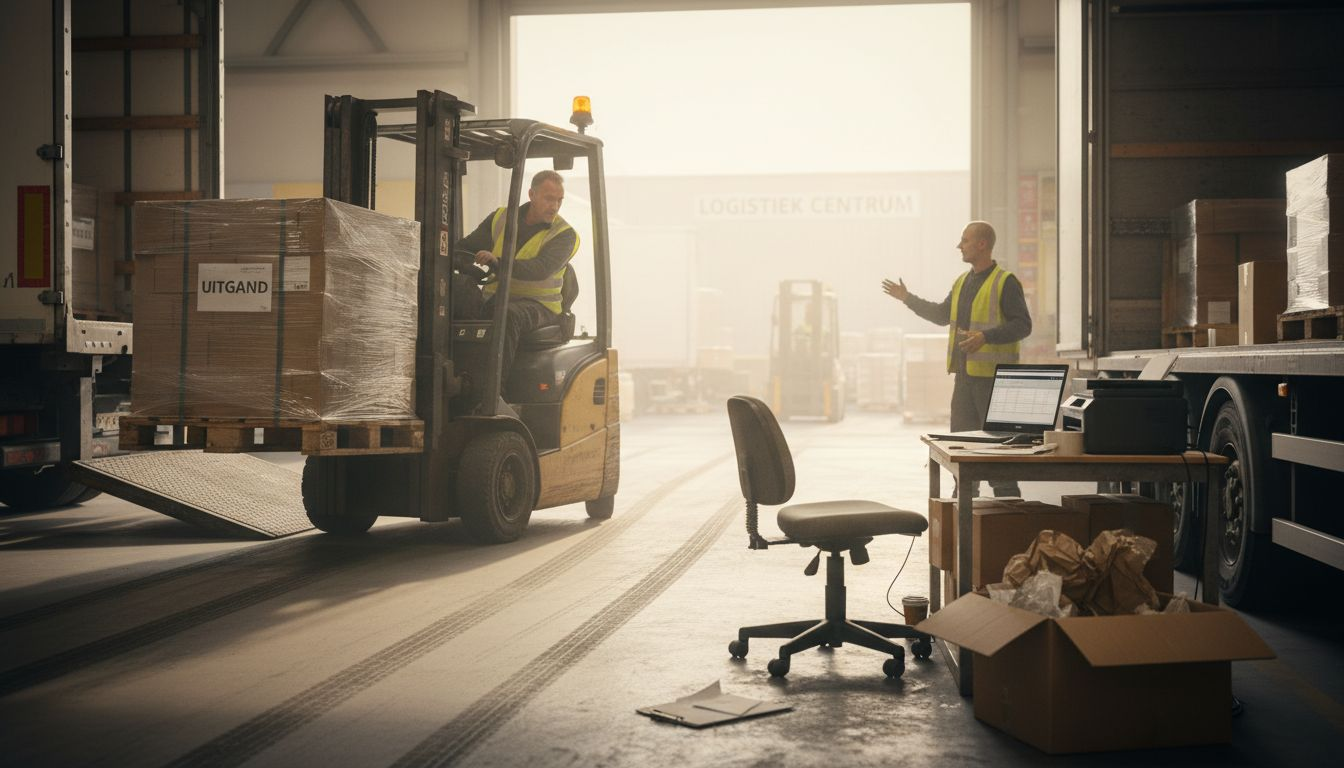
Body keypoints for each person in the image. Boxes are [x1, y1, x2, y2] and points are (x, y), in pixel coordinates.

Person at [882, 221, 1032, 497]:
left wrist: (985, 336)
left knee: (1001, 459)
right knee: (962, 456)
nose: (959, 246)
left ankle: (1010, 521)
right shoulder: (963, 282)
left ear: (982, 244)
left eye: (964, 240)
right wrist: (907, 298)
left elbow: (1023, 325)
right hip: (965, 380)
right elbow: (941, 315)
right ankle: (962, 525)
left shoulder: (1005, 282)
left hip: (994, 385)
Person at [456, 169, 578, 380]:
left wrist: (497, 263)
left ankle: (492, 394)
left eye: (559, 200)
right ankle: (459, 375)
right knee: (456, 296)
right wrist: (468, 267)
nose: (555, 206)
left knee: (506, 314)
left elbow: (540, 268)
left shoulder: (564, 234)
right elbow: (464, 248)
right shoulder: (500, 218)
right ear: (531, 195)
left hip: (541, 307)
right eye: (549, 199)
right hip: (497, 299)